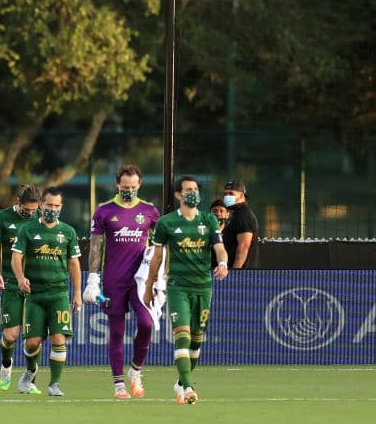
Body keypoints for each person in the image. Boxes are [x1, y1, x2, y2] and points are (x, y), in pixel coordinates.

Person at [143, 175, 228, 404]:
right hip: (177, 286)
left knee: (196, 341)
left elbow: (219, 248)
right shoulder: (166, 223)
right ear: (178, 195)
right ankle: (189, 387)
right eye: (188, 190)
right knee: (182, 335)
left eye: (195, 189)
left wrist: (222, 263)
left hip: (204, 287)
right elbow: (157, 257)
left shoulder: (209, 220)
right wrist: (149, 286)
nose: (193, 193)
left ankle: (181, 381)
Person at [84, 164, 161, 399]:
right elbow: (96, 247)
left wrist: (160, 277)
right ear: (118, 184)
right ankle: (118, 384)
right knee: (117, 331)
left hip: (141, 281)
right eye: (124, 187)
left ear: (139, 185)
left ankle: (135, 370)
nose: (129, 190)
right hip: (113, 280)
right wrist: (93, 278)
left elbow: (160, 248)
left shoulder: (150, 211)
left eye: (133, 187)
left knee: (147, 324)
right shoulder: (104, 211)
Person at [10, 186, 82, 397]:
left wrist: (77, 293)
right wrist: (20, 278)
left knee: (58, 338)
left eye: (56, 206)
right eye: (49, 205)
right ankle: (31, 370)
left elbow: (74, 264)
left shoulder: (68, 232)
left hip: (58, 293)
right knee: (33, 342)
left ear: (61, 207)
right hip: (35, 294)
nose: (52, 209)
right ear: (41, 205)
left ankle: (54, 384)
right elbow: (16, 257)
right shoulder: (28, 230)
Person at [0, 184, 40, 390]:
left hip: (36, 285)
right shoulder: (2, 218)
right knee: (11, 336)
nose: (30, 214)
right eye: (27, 210)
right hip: (11, 283)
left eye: (34, 211)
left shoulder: (41, 219)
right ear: (18, 202)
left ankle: (30, 380)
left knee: (34, 338)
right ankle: (6, 365)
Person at [220, 180, 259, 268]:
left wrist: (235, 274)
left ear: (242, 195)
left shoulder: (244, 215)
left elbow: (243, 248)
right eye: (225, 194)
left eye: (231, 193)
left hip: (242, 276)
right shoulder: (238, 214)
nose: (227, 197)